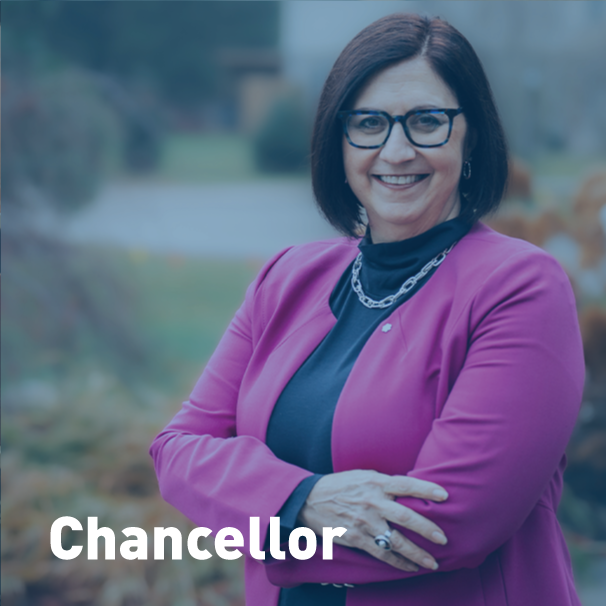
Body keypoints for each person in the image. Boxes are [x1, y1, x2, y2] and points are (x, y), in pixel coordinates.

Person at [150, 13, 585, 606]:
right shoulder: (288, 278)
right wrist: (300, 501)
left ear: (472, 133)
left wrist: (261, 520)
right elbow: (178, 451)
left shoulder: (520, 288)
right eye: (369, 123)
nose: (396, 150)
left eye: (428, 121)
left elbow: (448, 524)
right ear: (340, 138)